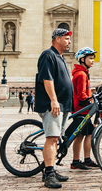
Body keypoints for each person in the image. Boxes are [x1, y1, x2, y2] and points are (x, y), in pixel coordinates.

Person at [35, 28, 73, 188]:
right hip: (53, 105)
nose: (69, 41)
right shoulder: (48, 55)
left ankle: (51, 169)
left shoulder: (61, 57)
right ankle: (49, 174)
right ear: (57, 39)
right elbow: (47, 79)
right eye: (66, 38)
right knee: (51, 138)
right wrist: (54, 100)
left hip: (63, 105)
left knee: (56, 137)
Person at [71, 46, 98, 170]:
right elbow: (81, 95)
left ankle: (85, 159)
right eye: (90, 58)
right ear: (82, 59)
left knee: (86, 134)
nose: (92, 61)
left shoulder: (83, 72)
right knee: (81, 135)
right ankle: (76, 161)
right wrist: (90, 100)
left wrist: (90, 90)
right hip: (81, 109)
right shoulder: (81, 74)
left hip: (83, 109)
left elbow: (82, 90)